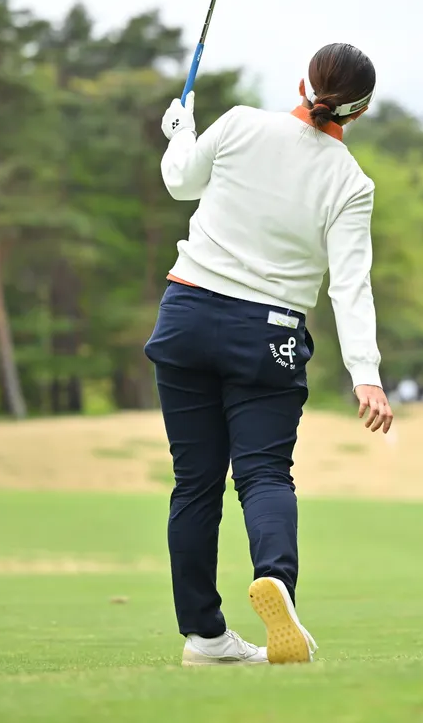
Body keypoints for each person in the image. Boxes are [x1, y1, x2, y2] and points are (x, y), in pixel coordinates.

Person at [143, 42, 394, 667]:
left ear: (303, 84)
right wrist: (366, 375)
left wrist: (180, 131)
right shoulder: (351, 183)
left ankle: (204, 637)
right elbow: (350, 285)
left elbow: (180, 181)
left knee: (194, 483)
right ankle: (275, 578)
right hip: (268, 333)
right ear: (360, 112)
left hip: (187, 313)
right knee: (263, 474)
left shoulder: (238, 124)